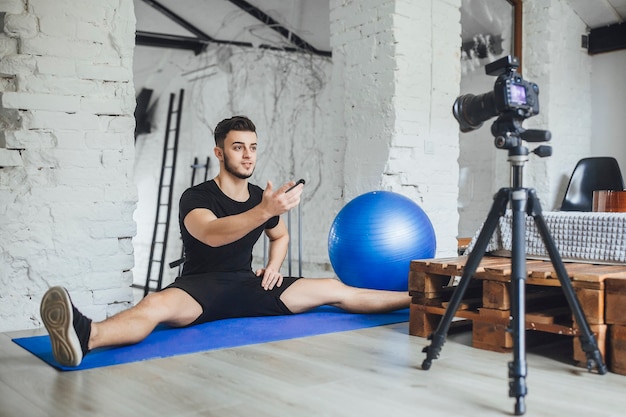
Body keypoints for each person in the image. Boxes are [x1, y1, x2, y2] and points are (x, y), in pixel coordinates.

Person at [40, 115, 411, 367]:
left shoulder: (258, 198)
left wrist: (275, 265)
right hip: (199, 288)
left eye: (252, 147)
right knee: (154, 306)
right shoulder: (196, 196)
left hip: (248, 285)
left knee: (334, 287)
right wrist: (264, 211)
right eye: (238, 147)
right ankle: (86, 336)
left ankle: (422, 301)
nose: (247, 154)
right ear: (220, 152)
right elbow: (213, 234)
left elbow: (279, 237)